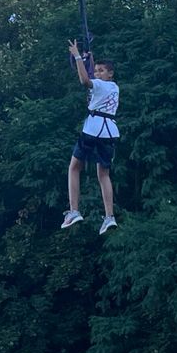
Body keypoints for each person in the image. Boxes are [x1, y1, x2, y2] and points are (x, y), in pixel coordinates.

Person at [61, 40, 119, 234]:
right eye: (97, 70)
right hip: (109, 133)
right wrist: (90, 58)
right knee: (103, 174)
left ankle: (74, 210)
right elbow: (93, 77)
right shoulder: (114, 87)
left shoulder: (100, 85)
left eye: (102, 71)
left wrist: (77, 56)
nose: (98, 73)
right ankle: (109, 216)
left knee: (74, 168)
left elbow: (85, 81)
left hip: (93, 130)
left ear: (110, 73)